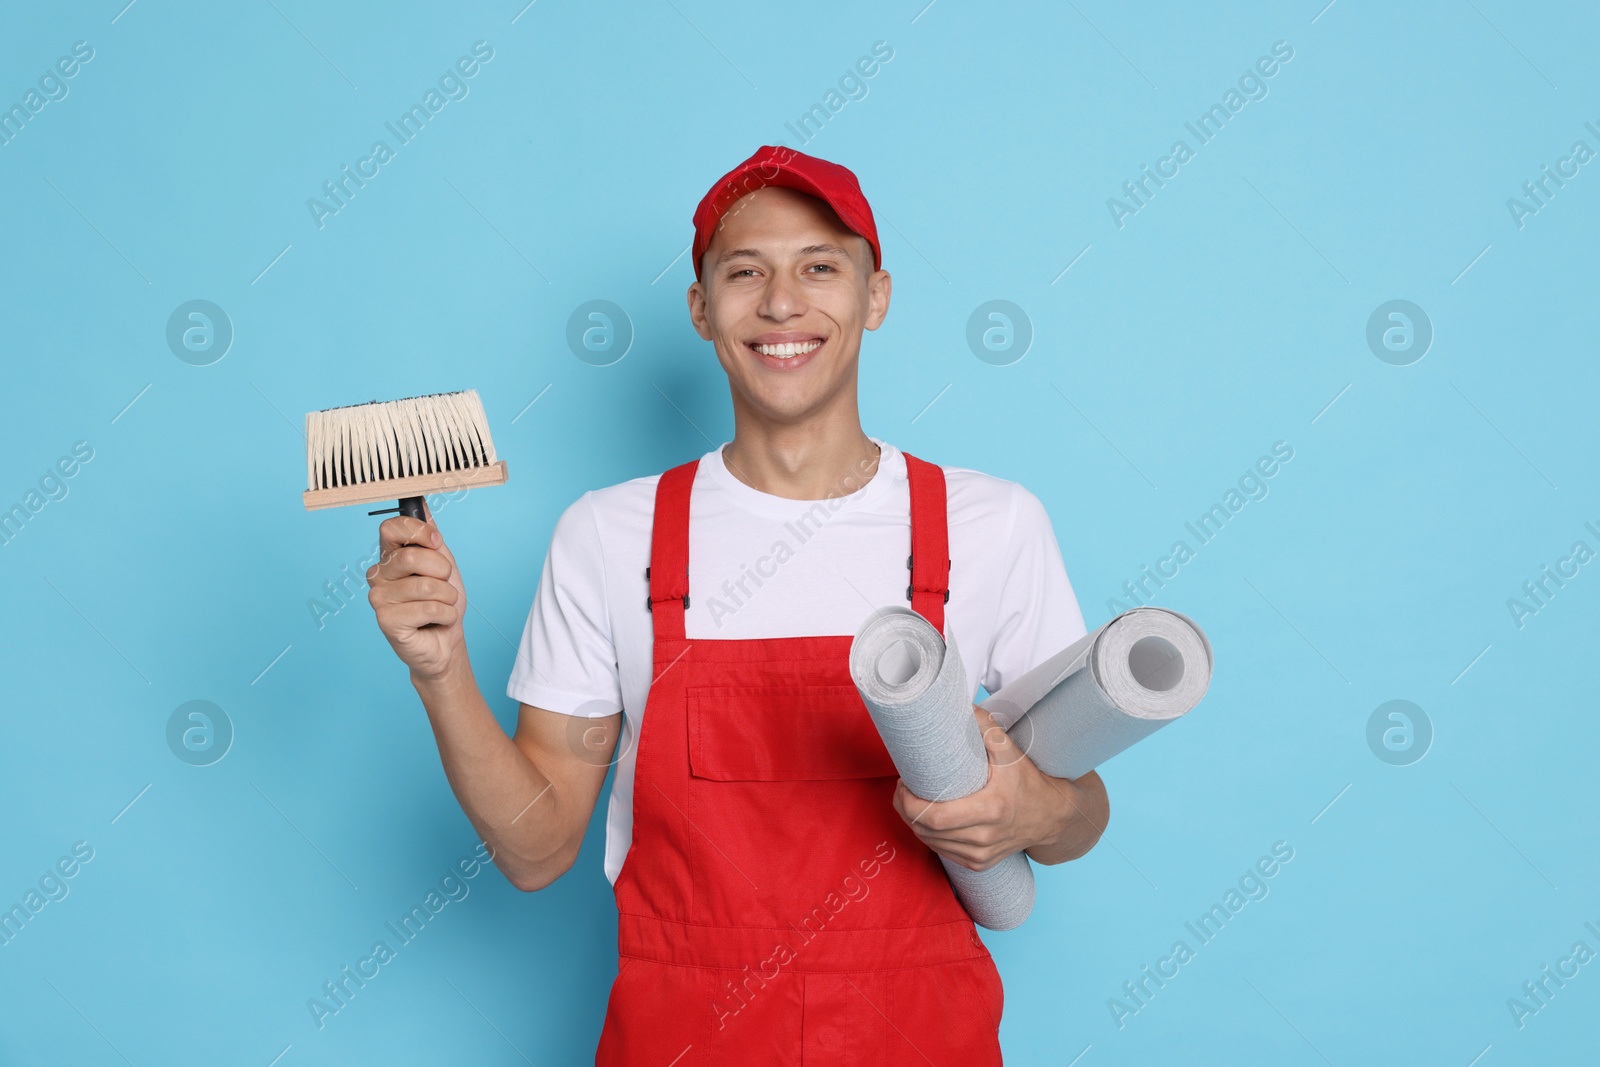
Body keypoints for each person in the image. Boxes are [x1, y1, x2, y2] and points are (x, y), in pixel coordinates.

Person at [366, 144, 1110, 1063]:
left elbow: (1082, 812)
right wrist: (439, 671)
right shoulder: (609, 536)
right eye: (745, 271)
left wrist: (1029, 812)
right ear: (702, 309)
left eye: (821, 268)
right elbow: (536, 850)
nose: (782, 303)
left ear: (876, 298)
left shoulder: (991, 526)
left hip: (920, 1033)